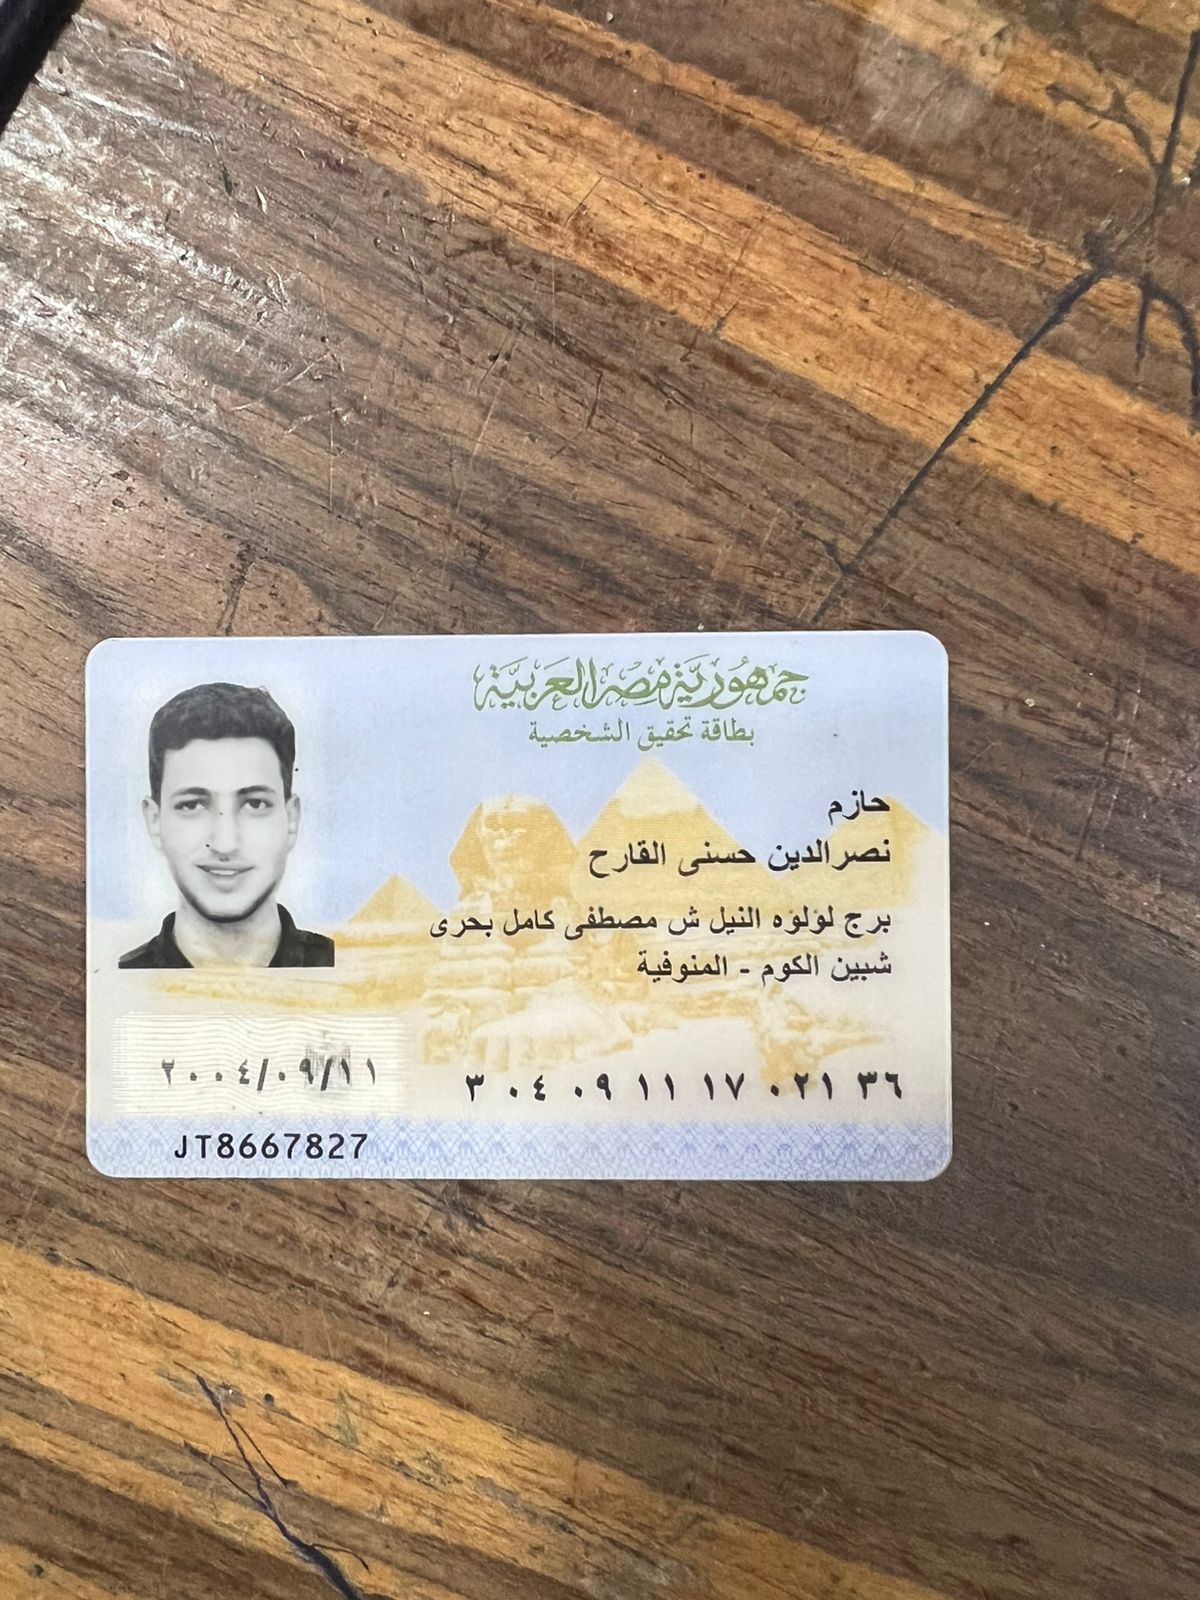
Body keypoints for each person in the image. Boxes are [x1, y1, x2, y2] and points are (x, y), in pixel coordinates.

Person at [119, 681, 335, 969]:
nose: (225, 844)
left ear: (292, 819)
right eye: (192, 805)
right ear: (155, 822)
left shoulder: (354, 972)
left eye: (255, 804)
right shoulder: (115, 982)